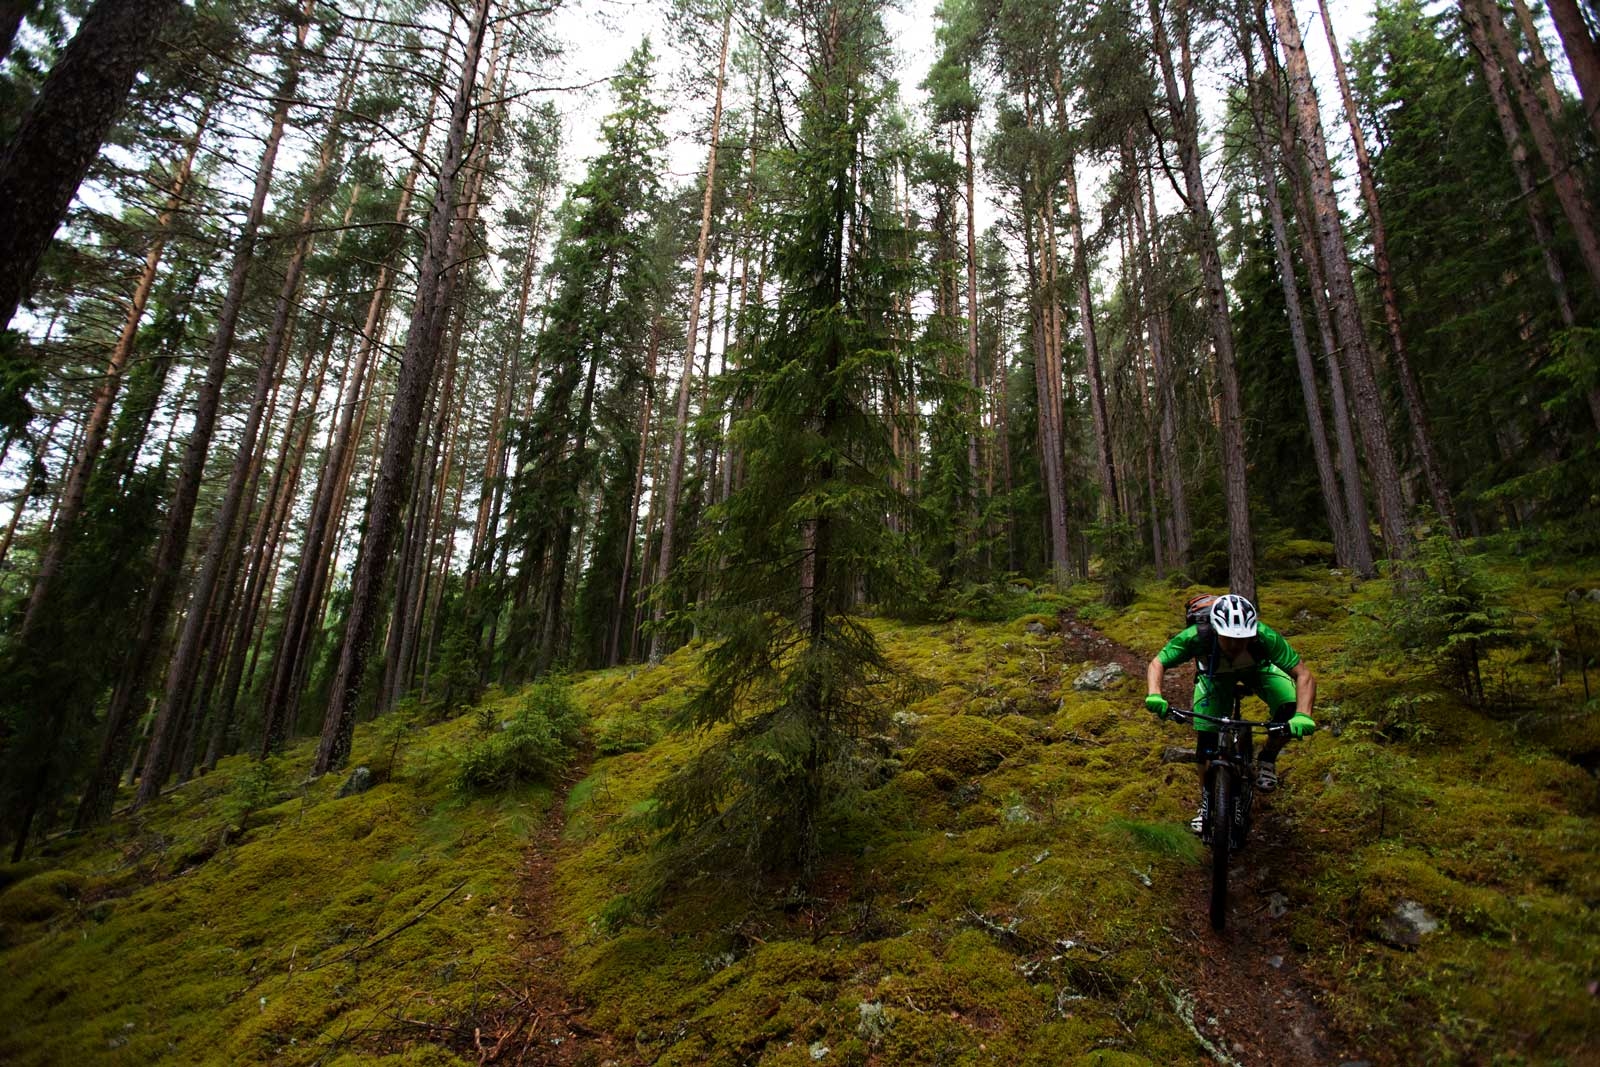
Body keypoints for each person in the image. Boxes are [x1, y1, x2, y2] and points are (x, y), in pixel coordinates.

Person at [1143, 593, 1317, 833]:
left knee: (1288, 707)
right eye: (1228, 639)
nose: (1235, 645)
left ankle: (1267, 759)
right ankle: (1206, 806)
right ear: (1216, 631)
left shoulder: (1264, 636)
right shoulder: (1197, 636)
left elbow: (1303, 674)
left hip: (1258, 670)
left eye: (1242, 639)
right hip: (1214, 676)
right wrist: (1155, 694)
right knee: (1206, 742)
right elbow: (1157, 663)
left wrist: (1303, 714)